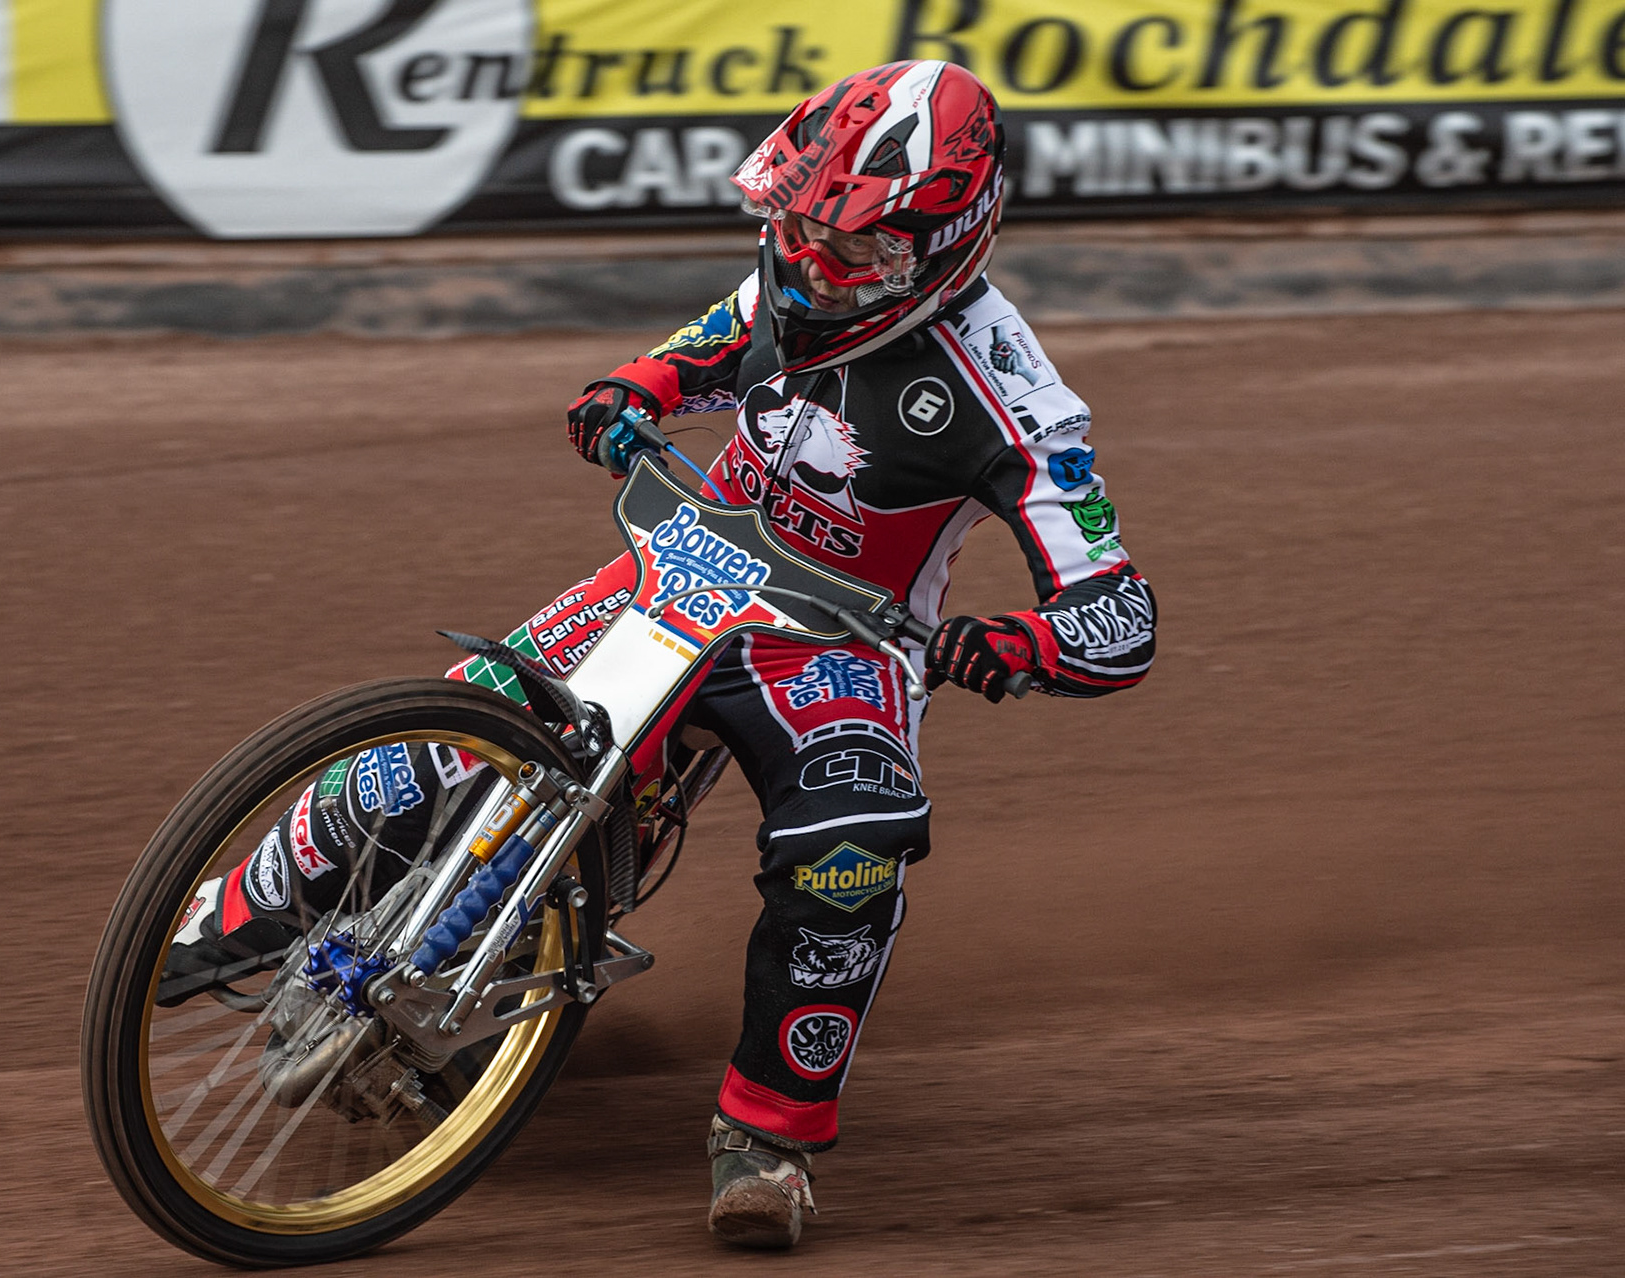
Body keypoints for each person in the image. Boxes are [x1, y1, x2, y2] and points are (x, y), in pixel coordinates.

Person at [168, 58, 1155, 1251]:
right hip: (685, 558)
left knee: (852, 846)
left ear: (946, 246)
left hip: (837, 641)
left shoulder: (1017, 401)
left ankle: (768, 1138)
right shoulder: (795, 269)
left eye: (849, 250)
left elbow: (1119, 616)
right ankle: (223, 916)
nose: (811, 266)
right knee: (454, 723)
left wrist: (1014, 643)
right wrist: (626, 389)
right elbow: (702, 347)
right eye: (794, 227)